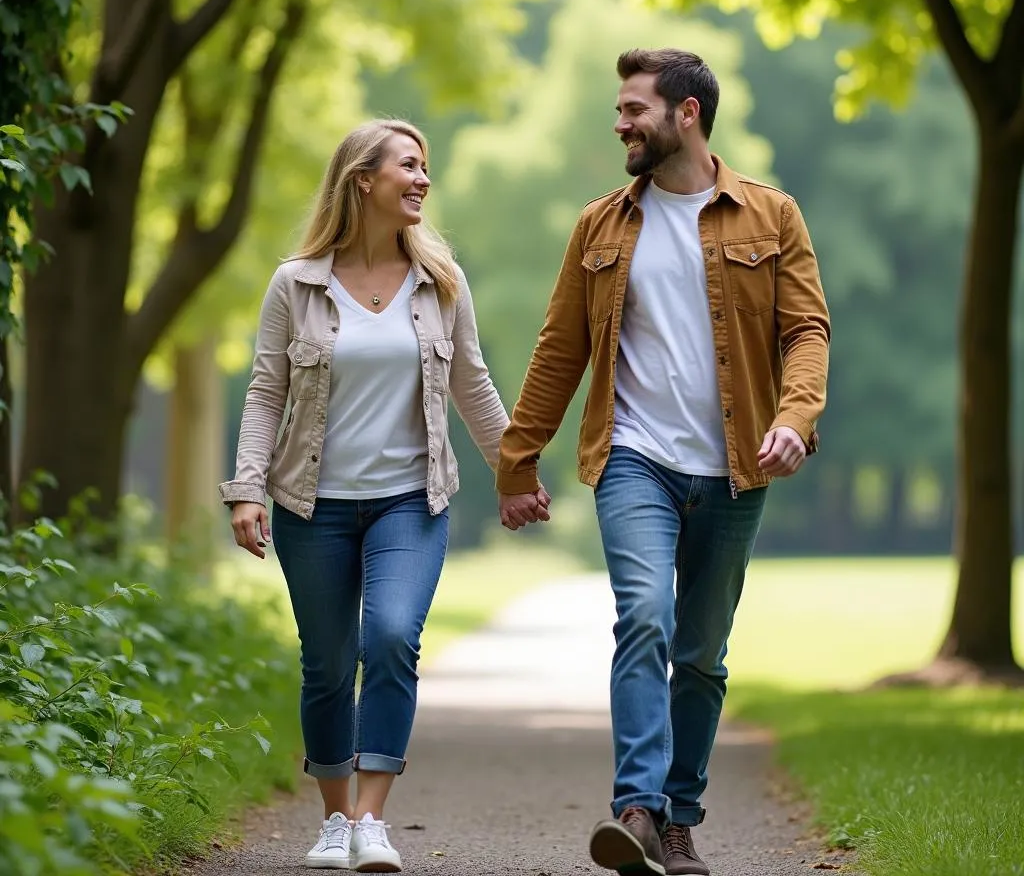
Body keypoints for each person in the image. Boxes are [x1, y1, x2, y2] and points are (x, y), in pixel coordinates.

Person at [496, 49, 830, 876]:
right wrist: (517, 458)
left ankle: (680, 817)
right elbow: (558, 349)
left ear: (686, 114)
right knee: (643, 613)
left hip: (736, 464)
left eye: (634, 109)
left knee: (702, 651)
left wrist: (795, 418)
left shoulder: (771, 216)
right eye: (618, 109)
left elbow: (807, 332)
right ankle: (638, 809)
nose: (621, 123)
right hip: (633, 455)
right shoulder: (600, 225)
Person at [219, 119, 548, 872]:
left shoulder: (441, 284)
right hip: (313, 505)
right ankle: (334, 822)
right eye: (409, 165)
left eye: (426, 166)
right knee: (329, 665)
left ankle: (371, 820)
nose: (424, 179)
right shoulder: (296, 284)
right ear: (362, 179)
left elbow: (474, 385)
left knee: (393, 636)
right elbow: (265, 392)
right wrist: (246, 490)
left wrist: (514, 472)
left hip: (410, 499)